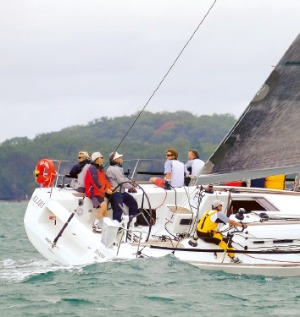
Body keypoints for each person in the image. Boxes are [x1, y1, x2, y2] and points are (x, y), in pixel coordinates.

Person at [106, 151, 138, 223]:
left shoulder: (116, 168)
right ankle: (117, 227)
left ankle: (131, 222)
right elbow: (122, 182)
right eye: (120, 157)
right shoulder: (114, 169)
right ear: (116, 160)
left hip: (121, 192)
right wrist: (131, 187)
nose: (122, 159)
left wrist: (131, 183)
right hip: (116, 193)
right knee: (118, 210)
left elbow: (123, 179)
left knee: (133, 203)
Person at [85, 151, 113, 233]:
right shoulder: (92, 169)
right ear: (96, 159)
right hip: (93, 192)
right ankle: (95, 224)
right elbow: (95, 183)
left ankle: (108, 226)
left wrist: (110, 187)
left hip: (100, 192)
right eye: (101, 157)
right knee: (103, 205)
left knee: (105, 211)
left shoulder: (101, 168)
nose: (103, 159)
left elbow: (105, 180)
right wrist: (106, 190)